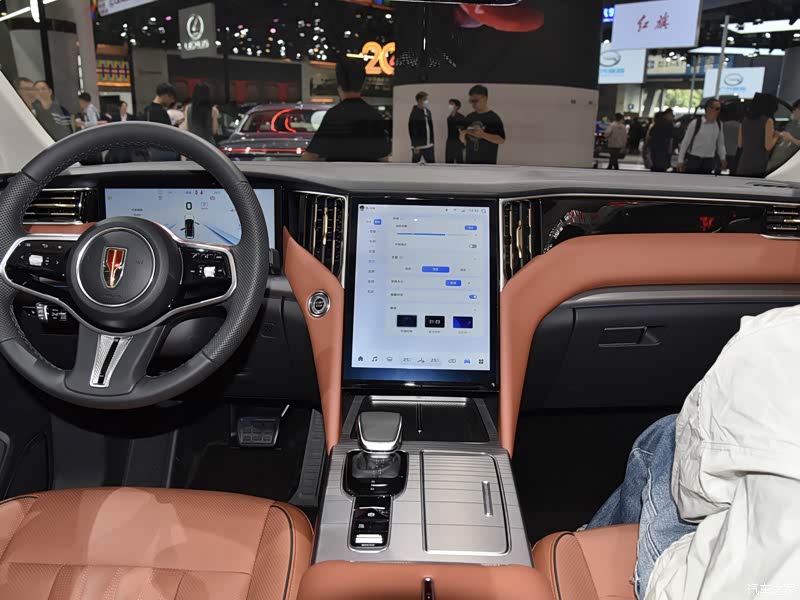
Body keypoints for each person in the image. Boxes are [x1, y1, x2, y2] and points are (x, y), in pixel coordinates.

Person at [588, 303, 800, 599]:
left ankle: (585, 544)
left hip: (711, 589)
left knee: (668, 438)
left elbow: (693, 497)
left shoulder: (782, 337)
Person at [303, 60, 391, 162]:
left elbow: (310, 155)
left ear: (339, 86)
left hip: (337, 172)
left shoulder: (333, 115)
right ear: (362, 85)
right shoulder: (374, 116)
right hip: (367, 172)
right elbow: (383, 157)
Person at [737, 93, 794, 178]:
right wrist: (776, 136)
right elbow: (768, 146)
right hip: (759, 162)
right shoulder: (767, 121)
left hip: (744, 161)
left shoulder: (745, 119)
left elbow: (740, 144)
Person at [676, 98, 727, 175]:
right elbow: (685, 142)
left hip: (709, 160)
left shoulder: (719, 124)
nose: (718, 111)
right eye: (717, 109)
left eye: (719, 109)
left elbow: (720, 143)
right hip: (694, 159)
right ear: (708, 109)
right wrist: (680, 160)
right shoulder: (696, 123)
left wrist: (722, 158)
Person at [460, 85, 506, 165]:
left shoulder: (493, 118)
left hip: (487, 165)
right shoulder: (469, 117)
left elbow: (501, 140)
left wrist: (482, 134)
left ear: (485, 98)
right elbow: (463, 141)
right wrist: (462, 134)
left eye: (475, 100)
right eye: (471, 101)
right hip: (469, 163)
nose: (473, 104)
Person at [142, 83, 179, 161]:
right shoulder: (161, 112)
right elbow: (167, 134)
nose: (172, 101)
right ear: (165, 96)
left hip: (152, 153)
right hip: (163, 153)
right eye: (171, 98)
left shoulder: (147, 110)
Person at [767, 98, 800, 174]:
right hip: (775, 161)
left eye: (796, 109)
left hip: (789, 166)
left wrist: (791, 138)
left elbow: (791, 139)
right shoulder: (790, 124)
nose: (793, 111)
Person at [408, 91, 435, 163]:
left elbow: (430, 127)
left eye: (427, 99)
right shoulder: (414, 113)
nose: (426, 101)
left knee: (431, 165)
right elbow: (412, 130)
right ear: (419, 100)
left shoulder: (428, 111)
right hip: (418, 146)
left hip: (429, 145)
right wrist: (415, 145)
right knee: (416, 165)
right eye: (425, 99)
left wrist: (432, 142)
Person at [720, 101, 742, 175]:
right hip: (734, 152)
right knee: (733, 173)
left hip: (722, 152)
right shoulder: (740, 126)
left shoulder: (722, 125)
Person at [446, 99, 465, 164]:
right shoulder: (449, 117)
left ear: (457, 106)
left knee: (459, 161)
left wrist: (463, 144)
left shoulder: (461, 117)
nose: (450, 106)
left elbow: (462, 131)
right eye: (449, 104)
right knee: (449, 161)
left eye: (451, 104)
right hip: (450, 141)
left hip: (458, 142)